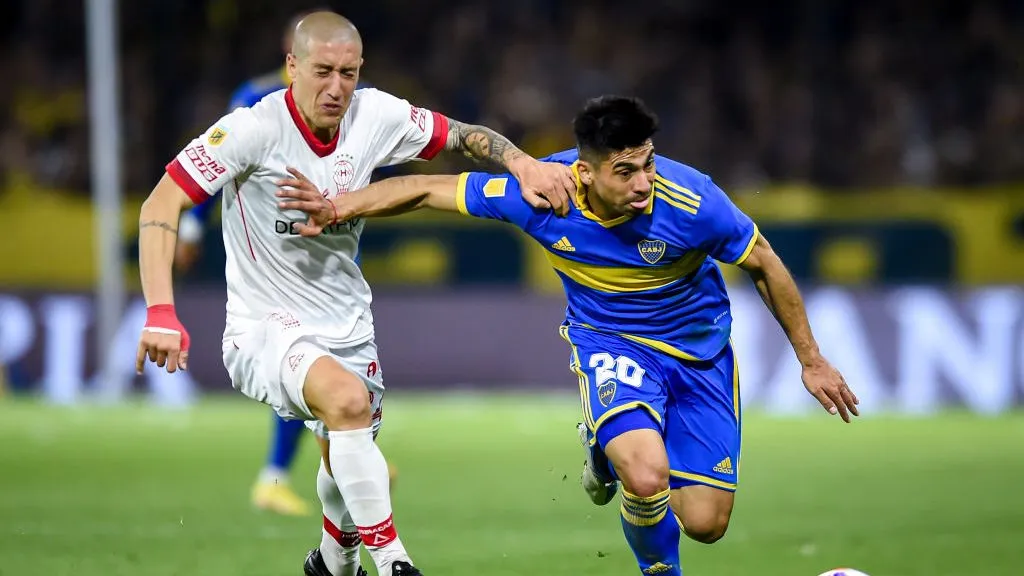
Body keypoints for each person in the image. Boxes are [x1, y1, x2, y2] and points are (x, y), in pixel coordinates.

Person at [275, 95, 860, 576]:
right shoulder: (542, 195)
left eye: (648, 164)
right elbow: (427, 190)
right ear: (585, 172)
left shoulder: (695, 201)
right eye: (624, 171)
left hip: (699, 353)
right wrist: (338, 207)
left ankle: (603, 451)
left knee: (706, 523)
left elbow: (764, 263)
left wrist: (811, 360)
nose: (643, 183)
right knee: (646, 475)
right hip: (611, 344)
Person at [135, 11, 575, 576]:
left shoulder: (375, 114)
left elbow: (462, 136)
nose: (336, 87)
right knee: (346, 404)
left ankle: (333, 563)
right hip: (263, 324)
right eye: (323, 71)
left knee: (345, 447)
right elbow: (161, 201)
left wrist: (522, 163)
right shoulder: (252, 128)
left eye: (348, 73)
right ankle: (395, 562)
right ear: (292, 66)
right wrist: (161, 311)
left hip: (347, 320)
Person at [175, 9, 321, 519]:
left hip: (329, 247)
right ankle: (299, 467)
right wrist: (191, 225)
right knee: (302, 360)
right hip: (273, 255)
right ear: (292, 53)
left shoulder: (351, 99)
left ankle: (338, 450)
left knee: (330, 363)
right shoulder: (256, 98)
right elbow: (213, 164)